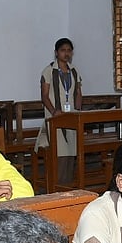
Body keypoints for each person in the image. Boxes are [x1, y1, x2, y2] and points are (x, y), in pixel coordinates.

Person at [35, 37, 82, 186]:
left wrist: (78, 110)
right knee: (60, 152)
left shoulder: (74, 71)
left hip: (71, 116)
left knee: (71, 152)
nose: (66, 54)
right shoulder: (49, 71)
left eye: (69, 50)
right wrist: (54, 112)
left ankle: (68, 186)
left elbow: (78, 92)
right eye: (63, 50)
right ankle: (58, 186)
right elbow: (44, 95)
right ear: (56, 53)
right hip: (55, 117)